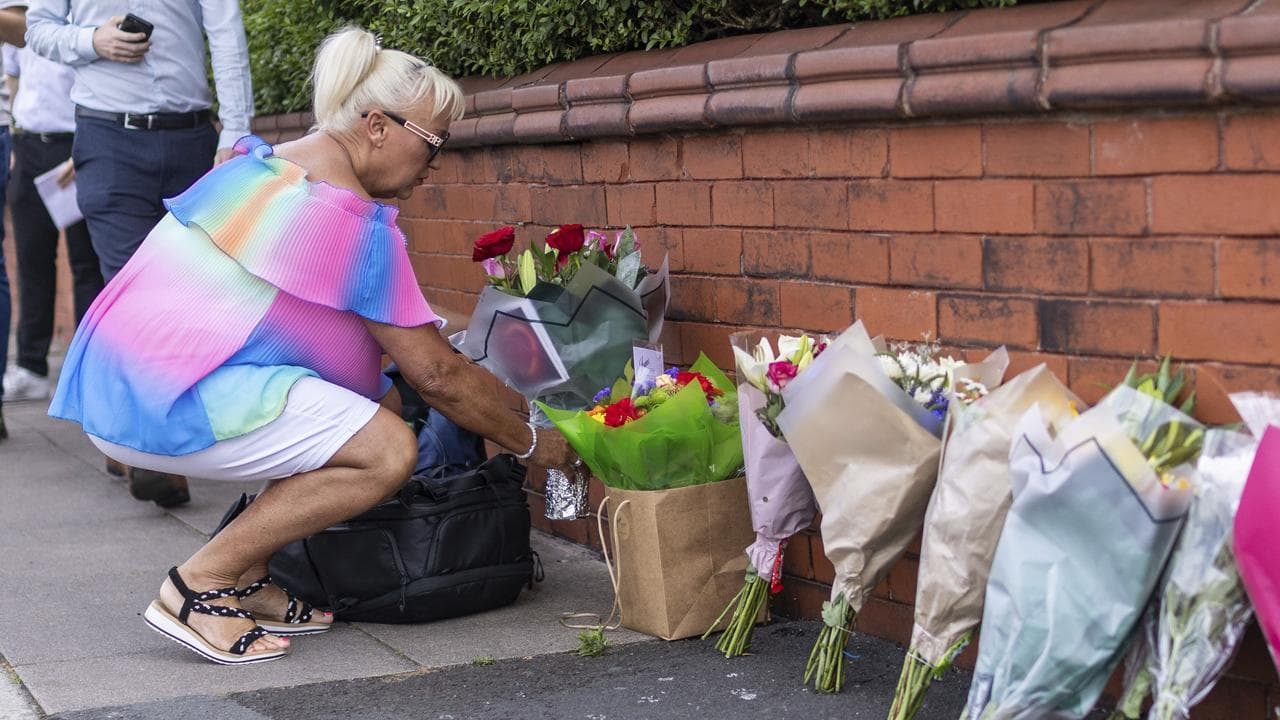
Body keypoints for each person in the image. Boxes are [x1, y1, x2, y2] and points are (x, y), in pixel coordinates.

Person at [48, 27, 579, 664]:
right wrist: (533, 440)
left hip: (118, 384)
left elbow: (337, 330)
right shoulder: (348, 220)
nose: (436, 164)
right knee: (386, 451)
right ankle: (201, 583)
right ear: (378, 126)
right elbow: (436, 375)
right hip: (157, 403)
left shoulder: (267, 167)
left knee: (371, 416)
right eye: (434, 142)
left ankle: (249, 576)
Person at [26, 0, 254, 502]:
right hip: (108, 141)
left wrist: (236, 131)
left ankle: (124, 429)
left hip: (193, 139)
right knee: (132, 290)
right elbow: (38, 30)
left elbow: (226, 31)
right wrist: (91, 41)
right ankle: (152, 449)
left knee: (193, 291)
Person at [2, 32, 105, 404]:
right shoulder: (24, 18)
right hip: (28, 146)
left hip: (76, 145)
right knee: (31, 262)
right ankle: (31, 368)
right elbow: (12, 74)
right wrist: (16, 132)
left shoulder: (81, 16)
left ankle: (89, 369)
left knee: (86, 263)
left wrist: (88, 147)